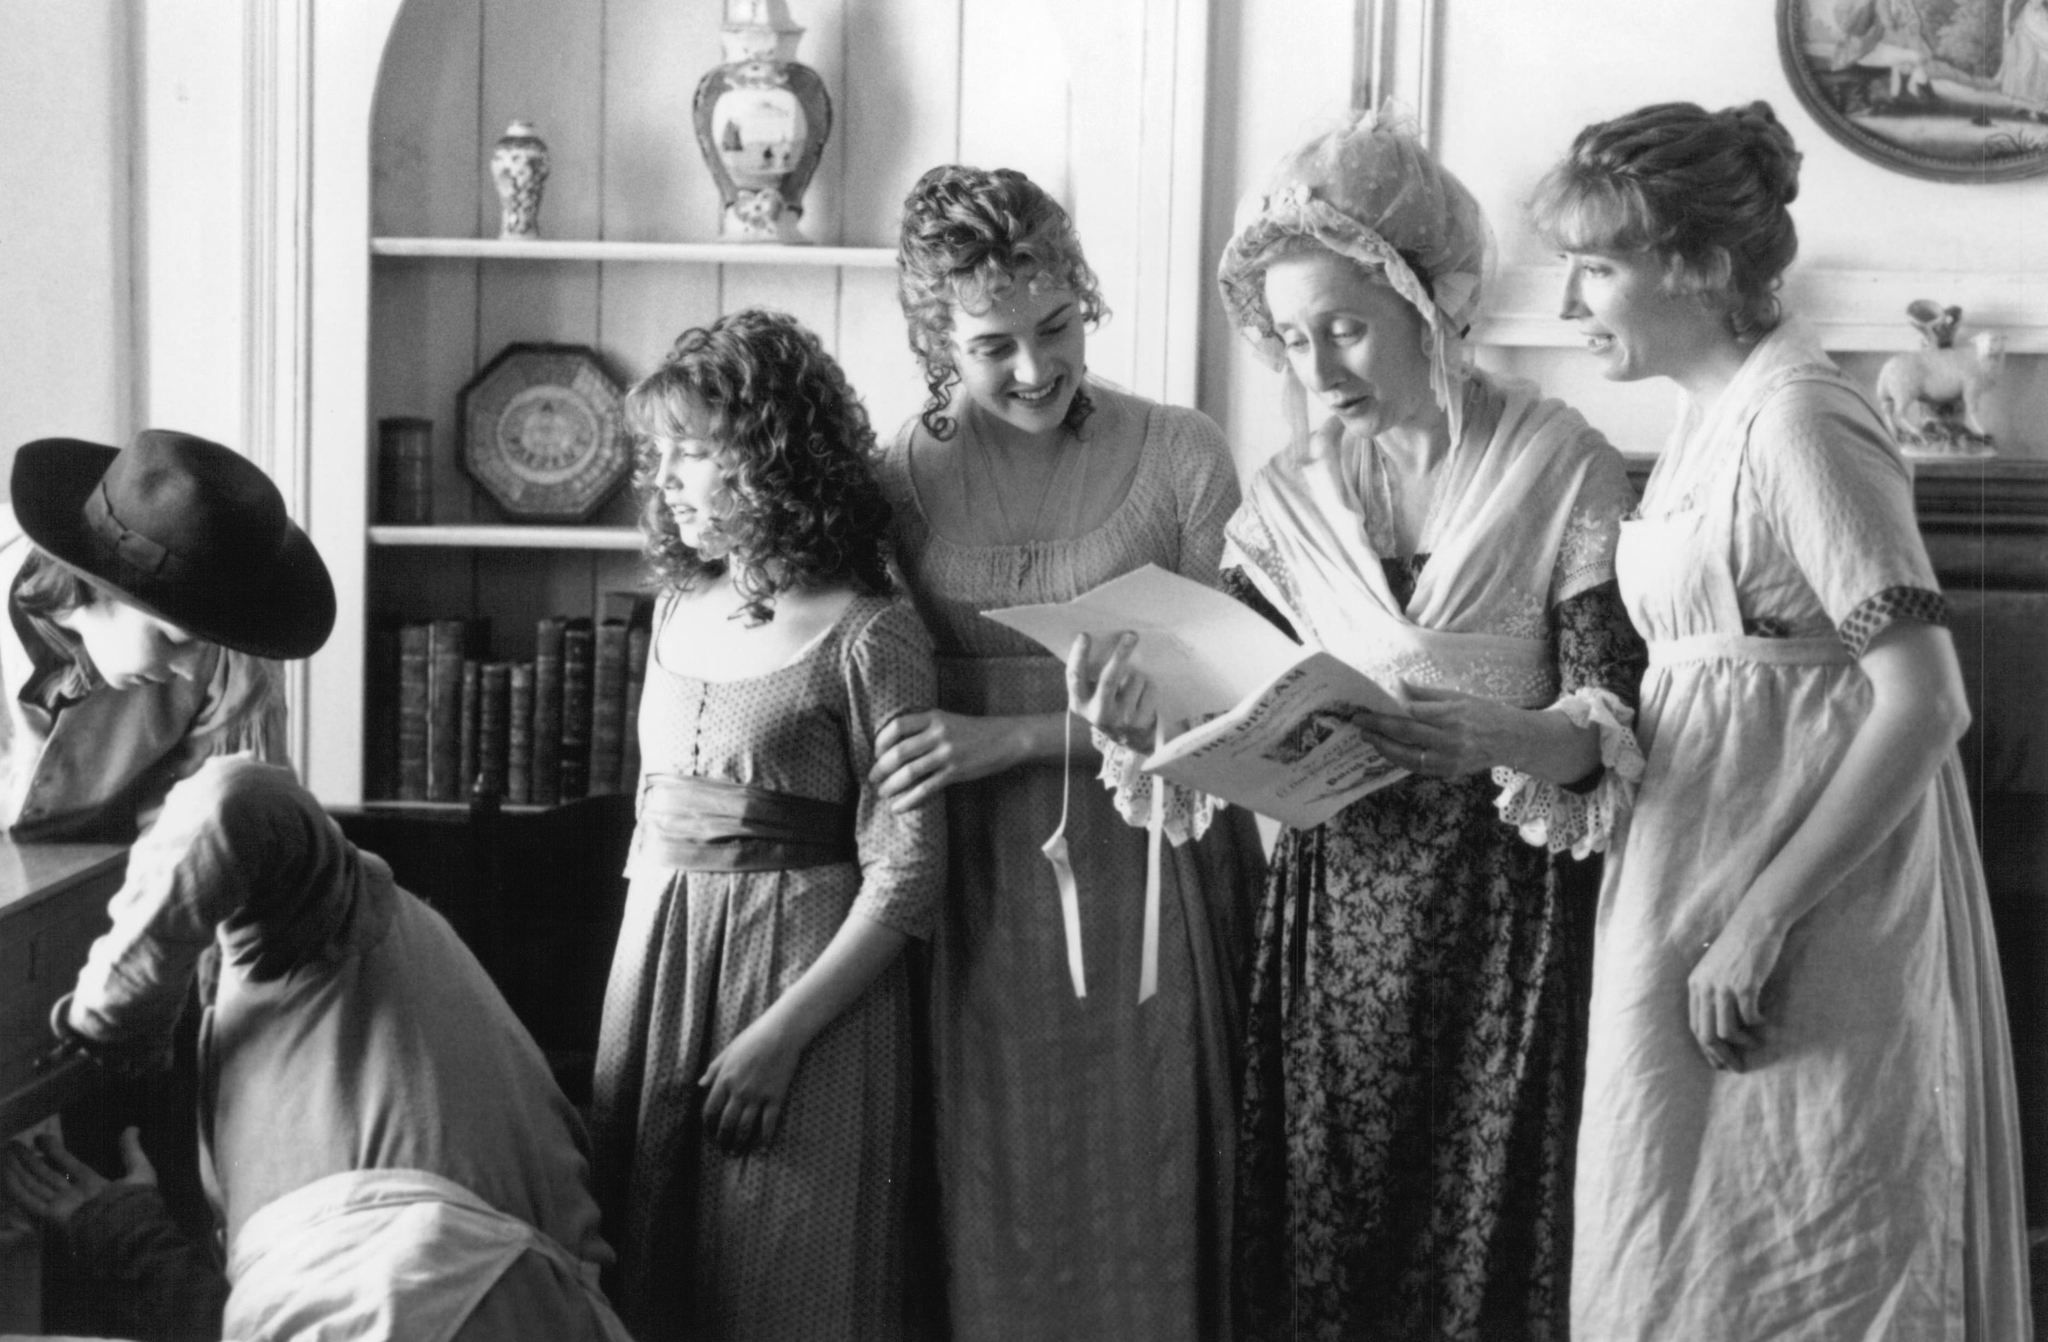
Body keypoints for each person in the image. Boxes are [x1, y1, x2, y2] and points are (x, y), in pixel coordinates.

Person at [1075, 108, 1649, 1341]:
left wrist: (1495, 734)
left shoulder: (1561, 468)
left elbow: (1609, 736)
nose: (1317, 369)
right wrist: (1135, 718)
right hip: (1334, 916)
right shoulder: (1283, 504)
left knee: (1495, 1242)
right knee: (1335, 1241)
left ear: (1429, 303)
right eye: (1289, 339)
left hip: (1509, 923)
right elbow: (1214, 705)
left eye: (1343, 327)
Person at [1532, 100, 2032, 1339]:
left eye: (1595, 267)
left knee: (1814, 1243)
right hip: (1688, 874)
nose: (1567, 306)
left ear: (1696, 265)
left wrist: (1758, 918)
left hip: (1807, 905)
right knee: (1678, 1254)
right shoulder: (1707, 416)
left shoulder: (1802, 419)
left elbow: (1924, 702)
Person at [867, 164, 1264, 1341]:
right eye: (995, 345)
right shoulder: (894, 478)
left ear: (1083, 295)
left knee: (1155, 1164)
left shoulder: (1185, 454)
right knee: (997, 1176)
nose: (1036, 368)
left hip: (1156, 862)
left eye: (1057, 326)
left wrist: (1018, 737)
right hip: (980, 886)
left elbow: (1235, 694)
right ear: (935, 338)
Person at [588, 308, 944, 1342]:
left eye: (692, 453)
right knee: (641, 1273)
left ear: (771, 456)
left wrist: (780, 1037)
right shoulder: (670, 612)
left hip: (803, 998)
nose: (667, 480)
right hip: (655, 978)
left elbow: (911, 870)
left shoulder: (872, 634)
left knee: (786, 1277)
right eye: (661, 454)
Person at [10, 759, 631, 1342]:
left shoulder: (323, 922)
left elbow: (230, 802)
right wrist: (131, 1238)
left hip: (443, 1287)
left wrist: (114, 1022)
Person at [0, 430, 320, 841]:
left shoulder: (235, 662)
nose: (190, 671)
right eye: (174, 639)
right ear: (97, 586)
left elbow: (219, 849)